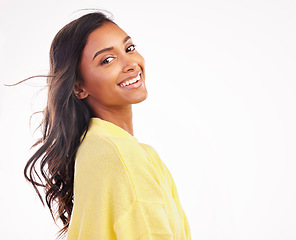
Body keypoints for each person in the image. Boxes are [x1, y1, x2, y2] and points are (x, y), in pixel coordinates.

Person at [24, 11, 191, 240]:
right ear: (79, 87)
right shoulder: (122, 155)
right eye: (107, 60)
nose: (130, 63)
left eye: (129, 48)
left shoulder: (93, 147)